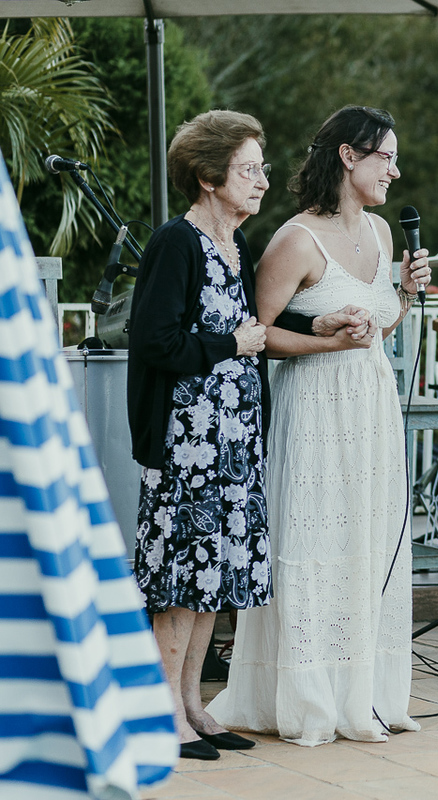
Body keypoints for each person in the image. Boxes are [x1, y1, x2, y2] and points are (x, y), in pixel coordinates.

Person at [206, 105, 431, 746]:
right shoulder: (295, 239)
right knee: (315, 546)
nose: (395, 168)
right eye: (384, 155)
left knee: (365, 540)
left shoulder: (385, 234)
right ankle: (305, 693)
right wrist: (326, 344)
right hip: (313, 413)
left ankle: (364, 692)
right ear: (348, 157)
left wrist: (407, 298)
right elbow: (258, 335)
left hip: (371, 409)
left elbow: (377, 328)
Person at [127, 110, 273, 760]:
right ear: (210, 177)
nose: (262, 180)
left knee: (214, 575)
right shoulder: (175, 242)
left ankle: (193, 705)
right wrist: (231, 343)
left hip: (233, 442)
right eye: (249, 169)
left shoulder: (238, 246)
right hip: (186, 444)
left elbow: (261, 331)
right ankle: (163, 713)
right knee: (180, 580)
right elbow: (154, 340)